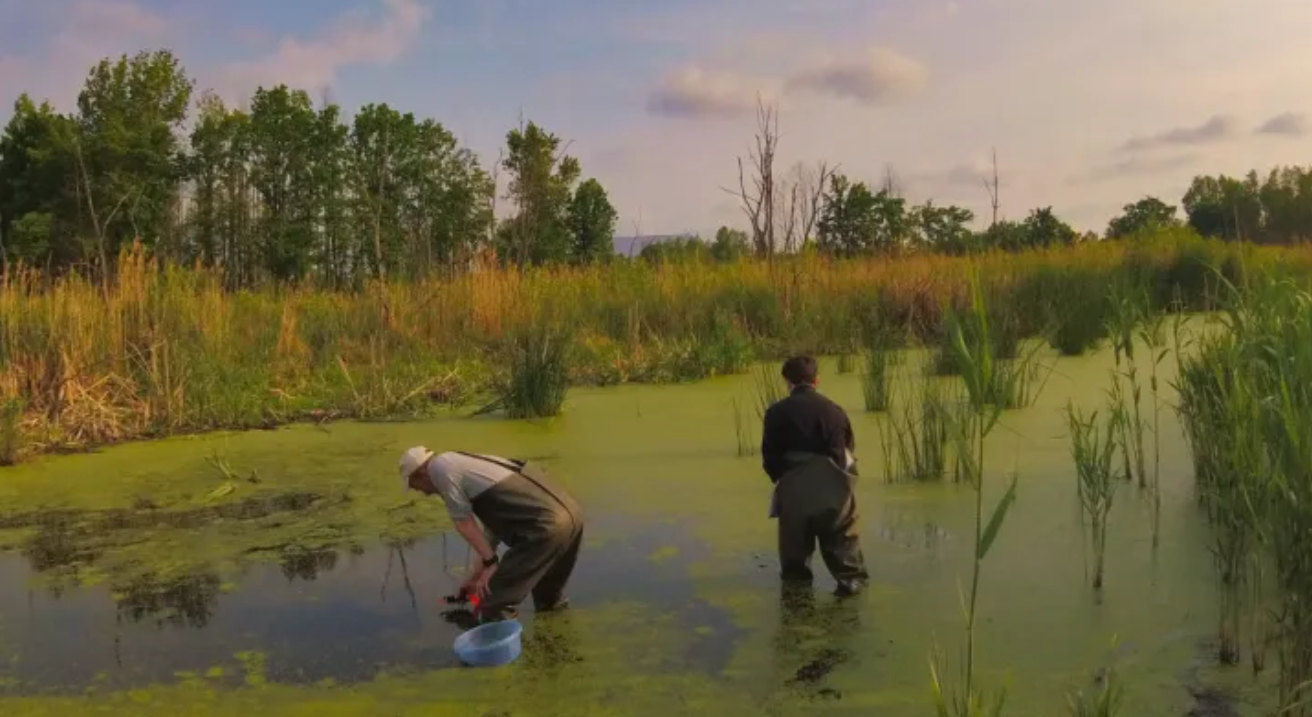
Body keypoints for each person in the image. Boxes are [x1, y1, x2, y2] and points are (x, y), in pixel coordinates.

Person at [399, 447, 584, 623]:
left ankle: (503, 653)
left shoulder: (440, 468)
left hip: (545, 528)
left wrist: (491, 564)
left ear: (421, 473)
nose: (423, 493)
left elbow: (463, 523)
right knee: (549, 600)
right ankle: (557, 647)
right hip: (571, 516)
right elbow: (492, 533)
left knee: (491, 603)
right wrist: (474, 578)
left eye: (415, 486)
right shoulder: (467, 467)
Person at [760, 355, 869, 597]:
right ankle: (849, 606)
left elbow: (770, 459)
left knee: (795, 572)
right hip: (834, 495)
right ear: (816, 380)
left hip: (795, 495)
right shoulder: (835, 412)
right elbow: (846, 451)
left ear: (787, 382)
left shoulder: (776, 413)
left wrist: (786, 481)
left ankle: (799, 616)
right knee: (849, 569)